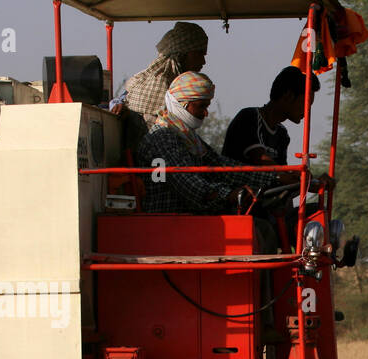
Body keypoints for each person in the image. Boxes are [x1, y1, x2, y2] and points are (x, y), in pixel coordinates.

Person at [136, 72, 278, 215]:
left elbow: (220, 166)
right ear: (182, 104)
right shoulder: (162, 137)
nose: (206, 113)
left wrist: (273, 177)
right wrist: (228, 195)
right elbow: (187, 183)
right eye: (202, 106)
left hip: (191, 220)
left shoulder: (189, 138)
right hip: (168, 222)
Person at [115, 21, 209, 150]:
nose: (204, 61)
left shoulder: (162, 81)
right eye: (200, 54)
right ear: (184, 53)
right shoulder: (162, 83)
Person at [223, 66, 320, 169]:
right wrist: (295, 175)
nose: (307, 111)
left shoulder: (282, 134)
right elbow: (260, 159)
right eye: (305, 104)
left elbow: (283, 173)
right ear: (288, 96)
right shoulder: (249, 117)